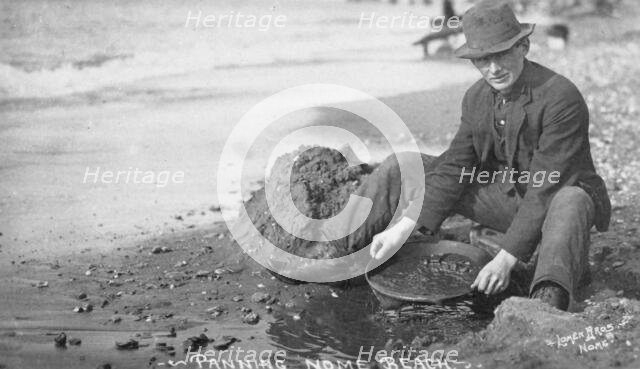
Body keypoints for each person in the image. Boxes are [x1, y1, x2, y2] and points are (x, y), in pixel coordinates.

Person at [364, 0, 611, 311]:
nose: (493, 69)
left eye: (502, 54)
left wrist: (505, 261)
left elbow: (545, 187)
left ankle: (547, 301)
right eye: (483, 59)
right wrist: (403, 227)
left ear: (524, 47)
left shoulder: (560, 97)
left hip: (557, 205)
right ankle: (340, 254)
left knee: (571, 199)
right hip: (507, 200)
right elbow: (454, 166)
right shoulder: (477, 97)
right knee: (407, 166)